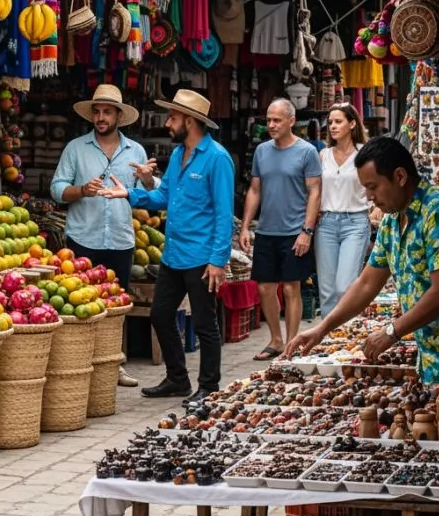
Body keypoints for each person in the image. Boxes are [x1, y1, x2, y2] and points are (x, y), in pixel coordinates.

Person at [285, 137, 439, 389]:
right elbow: (366, 283)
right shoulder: (392, 221)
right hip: (436, 355)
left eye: (373, 187)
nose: (369, 197)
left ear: (400, 176)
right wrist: (322, 328)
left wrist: (392, 332)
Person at [100, 90, 234, 401]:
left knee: (204, 324)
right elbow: (164, 197)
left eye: (173, 117)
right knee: (160, 315)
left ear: (190, 121)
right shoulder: (177, 156)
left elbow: (224, 215)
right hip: (173, 255)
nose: (168, 123)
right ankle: (178, 378)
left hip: (201, 257)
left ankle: (209, 387)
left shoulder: (217, 159)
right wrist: (130, 195)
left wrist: (218, 260)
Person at [51, 84, 154, 387]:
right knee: (81, 305)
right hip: (83, 238)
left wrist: (148, 180)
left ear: (118, 116)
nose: (100, 116)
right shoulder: (76, 148)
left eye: (107, 111)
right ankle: (82, 366)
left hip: (120, 239)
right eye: (96, 111)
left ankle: (114, 364)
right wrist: (82, 190)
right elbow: (57, 189)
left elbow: (151, 193)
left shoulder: (135, 151)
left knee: (116, 307)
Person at [239, 98, 321, 362]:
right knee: (265, 288)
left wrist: (307, 231)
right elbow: (254, 189)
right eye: (268, 120)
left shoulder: (307, 152)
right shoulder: (262, 151)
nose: (271, 125)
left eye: (276, 120)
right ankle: (275, 339)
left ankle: (291, 342)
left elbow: (314, 192)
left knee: (291, 288)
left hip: (294, 231)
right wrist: (244, 227)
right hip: (267, 230)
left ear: (291, 121)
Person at [314, 103, 381, 317]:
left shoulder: (365, 153)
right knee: (326, 290)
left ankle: (344, 330)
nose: (333, 126)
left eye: (338, 121)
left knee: (344, 287)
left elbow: (377, 183)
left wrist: (378, 207)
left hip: (356, 222)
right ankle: (327, 340)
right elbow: (314, 190)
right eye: (330, 122)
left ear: (352, 124)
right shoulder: (323, 155)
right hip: (326, 224)